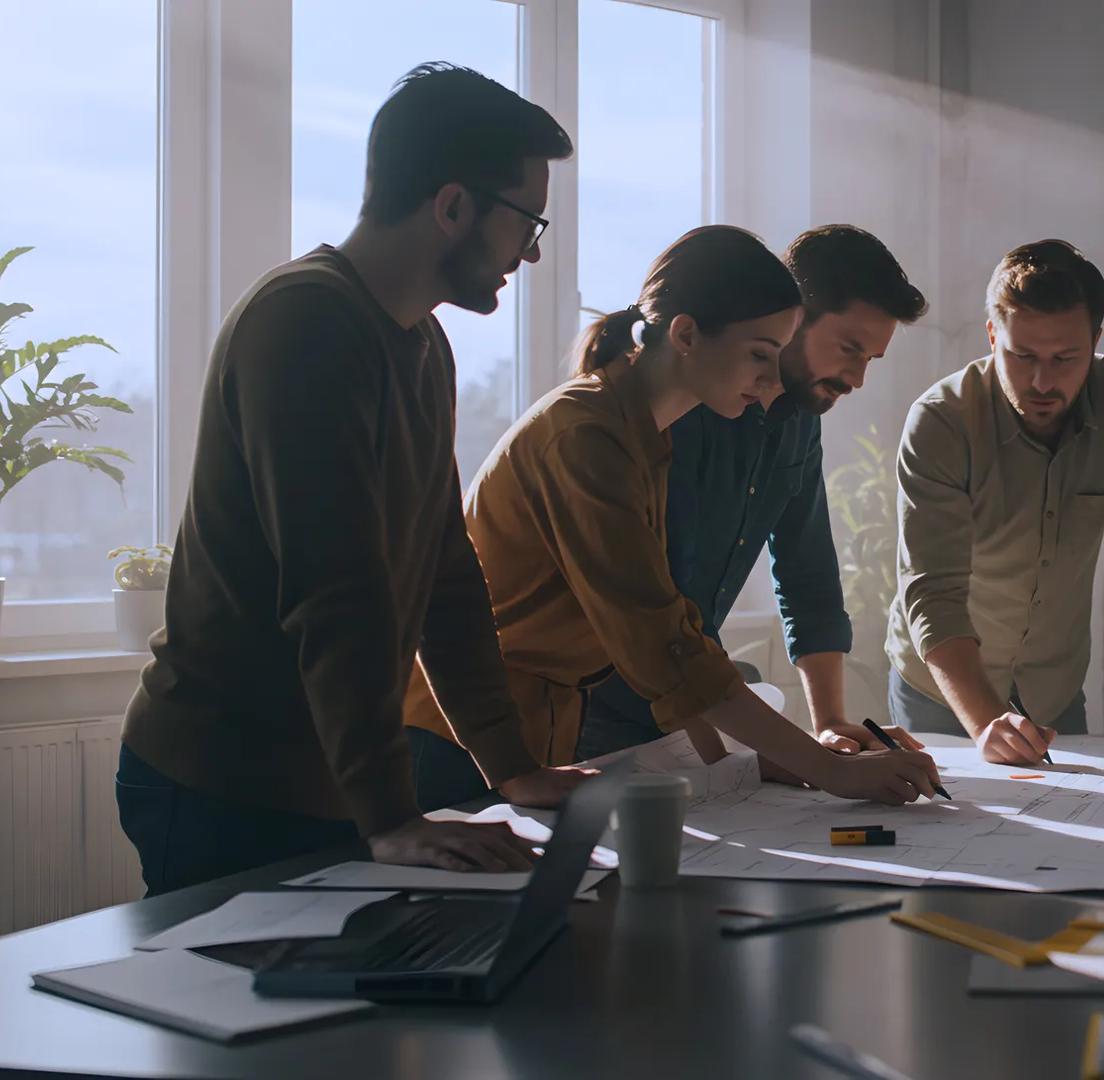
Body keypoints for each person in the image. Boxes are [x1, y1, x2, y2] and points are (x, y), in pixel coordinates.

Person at [117, 63, 594, 896]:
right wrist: (391, 816)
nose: (534, 250)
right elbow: (335, 587)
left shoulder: (422, 345)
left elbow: (444, 570)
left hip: (327, 782)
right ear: (453, 206)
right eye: (527, 220)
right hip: (223, 784)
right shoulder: (305, 321)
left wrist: (510, 767)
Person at [403, 226, 942, 807]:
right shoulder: (590, 435)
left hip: (533, 737)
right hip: (460, 738)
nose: (770, 384)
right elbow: (660, 640)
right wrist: (825, 769)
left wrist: (763, 757)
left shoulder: (644, 431)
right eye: (759, 356)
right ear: (685, 335)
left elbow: (686, 632)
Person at [573, 225, 931, 764]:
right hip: (591, 711)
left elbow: (807, 570)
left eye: (870, 360)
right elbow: (659, 614)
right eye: (848, 350)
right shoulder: (675, 407)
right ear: (793, 316)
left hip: (686, 706)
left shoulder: (799, 420)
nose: (857, 378)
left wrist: (829, 723)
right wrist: (802, 765)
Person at [887, 239, 1104, 765]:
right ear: (992, 335)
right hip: (943, 689)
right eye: (1022, 356)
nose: (1042, 381)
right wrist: (986, 724)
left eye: (1065, 359)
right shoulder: (941, 420)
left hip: (1053, 689)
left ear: (1095, 340)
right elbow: (932, 590)